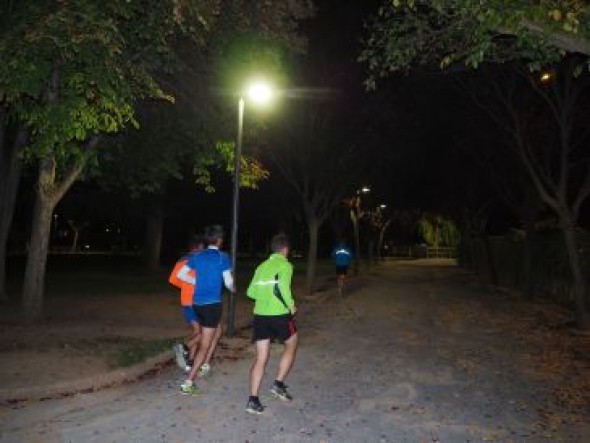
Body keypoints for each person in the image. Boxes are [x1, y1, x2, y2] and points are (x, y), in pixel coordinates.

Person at [176, 224, 233, 395]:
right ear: (220, 240)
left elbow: (181, 275)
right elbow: (228, 281)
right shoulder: (223, 257)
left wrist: (196, 283)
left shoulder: (198, 256)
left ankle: (194, 356)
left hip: (197, 304)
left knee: (213, 332)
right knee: (205, 344)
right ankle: (189, 382)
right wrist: (232, 287)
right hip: (212, 305)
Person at [245, 233, 297, 414]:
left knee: (261, 358)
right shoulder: (286, 265)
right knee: (291, 343)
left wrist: (265, 297)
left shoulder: (261, 266)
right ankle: (278, 383)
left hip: (260, 315)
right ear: (285, 249)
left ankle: (253, 400)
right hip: (279, 315)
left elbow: (250, 292)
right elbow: (283, 288)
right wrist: (290, 305)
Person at [168, 234, 221, 376]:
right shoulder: (199, 260)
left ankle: (191, 361)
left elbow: (173, 279)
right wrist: (195, 284)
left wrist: (187, 286)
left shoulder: (183, 259)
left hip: (186, 301)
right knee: (212, 330)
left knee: (198, 332)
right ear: (200, 247)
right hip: (198, 301)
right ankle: (188, 350)